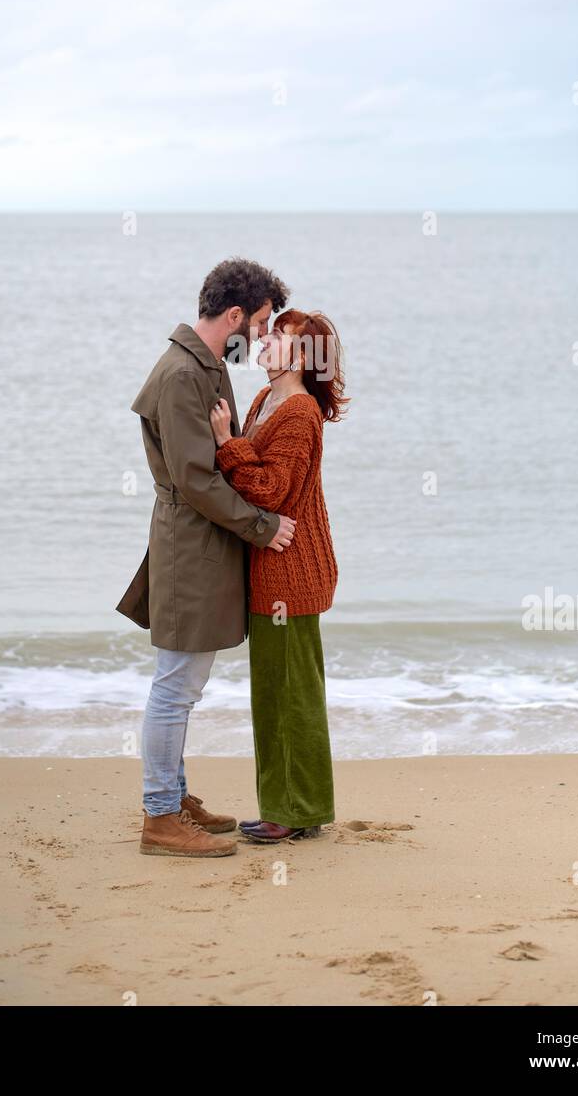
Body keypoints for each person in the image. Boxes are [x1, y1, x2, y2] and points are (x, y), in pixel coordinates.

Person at [117, 259, 298, 859]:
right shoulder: (181, 375)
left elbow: (217, 461)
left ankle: (173, 794)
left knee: (183, 684)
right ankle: (160, 817)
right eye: (263, 320)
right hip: (189, 545)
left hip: (200, 543)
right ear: (236, 315)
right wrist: (262, 527)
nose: (263, 334)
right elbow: (196, 480)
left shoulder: (206, 365)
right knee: (175, 686)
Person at [209, 309, 348, 841]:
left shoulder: (299, 412)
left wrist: (227, 444)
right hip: (271, 569)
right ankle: (295, 808)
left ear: (304, 356)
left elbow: (271, 490)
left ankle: (292, 812)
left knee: (292, 697)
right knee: (273, 695)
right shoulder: (267, 400)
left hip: (291, 574)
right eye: (269, 333)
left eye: (279, 337)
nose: (264, 341)